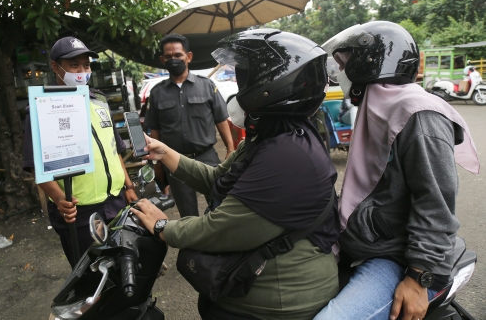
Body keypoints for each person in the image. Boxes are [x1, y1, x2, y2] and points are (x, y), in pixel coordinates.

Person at [131, 29, 340, 320]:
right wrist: (165, 152)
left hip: (279, 302)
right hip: (254, 282)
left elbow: (221, 229)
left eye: (244, 75)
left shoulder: (287, 156)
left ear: (272, 84)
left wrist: (164, 227)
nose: (240, 84)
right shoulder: (271, 136)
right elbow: (217, 179)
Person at [313, 21, 479, 320]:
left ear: (369, 63)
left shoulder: (419, 116)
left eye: (345, 63)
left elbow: (436, 204)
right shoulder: (377, 108)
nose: (340, 72)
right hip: (366, 244)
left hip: (398, 257)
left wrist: (419, 278)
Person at [23, 37, 138, 267]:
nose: (82, 71)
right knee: (92, 276)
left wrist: (129, 186)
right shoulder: (42, 106)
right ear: (56, 67)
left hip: (116, 203)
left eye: (86, 65)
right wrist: (58, 198)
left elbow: (115, 149)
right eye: (74, 65)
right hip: (80, 212)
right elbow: (38, 165)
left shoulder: (99, 100)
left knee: (125, 265)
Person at [144, 33, 235, 217]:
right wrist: (158, 163)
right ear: (162, 60)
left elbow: (221, 119)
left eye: (178, 55)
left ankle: (221, 244)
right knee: (188, 214)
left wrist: (230, 149)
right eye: (168, 57)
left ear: (188, 56)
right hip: (176, 161)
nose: (173, 60)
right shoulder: (157, 93)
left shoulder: (207, 86)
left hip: (207, 157)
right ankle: (196, 246)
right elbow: (155, 129)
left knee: (219, 206)